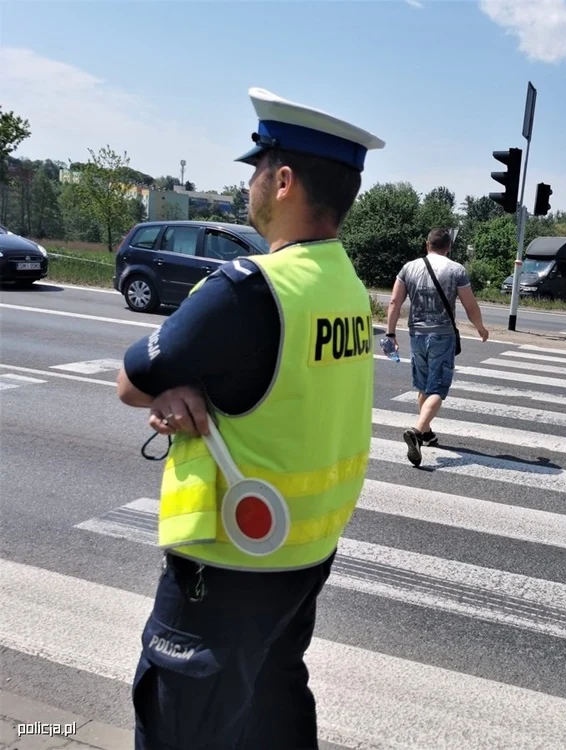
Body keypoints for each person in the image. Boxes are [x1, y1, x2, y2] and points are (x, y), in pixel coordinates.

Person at [115, 87, 384, 750]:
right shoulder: (346, 285)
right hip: (304, 552)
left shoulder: (249, 288)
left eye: (256, 170)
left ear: (284, 180)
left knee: (186, 728)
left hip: (227, 566)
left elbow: (129, 379)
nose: (249, 185)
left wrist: (166, 387)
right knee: (272, 708)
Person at [384, 228, 488, 467]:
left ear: (426, 244)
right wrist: (480, 328)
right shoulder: (456, 270)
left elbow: (394, 302)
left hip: (417, 335)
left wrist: (391, 333)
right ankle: (417, 431)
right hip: (442, 336)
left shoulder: (408, 268)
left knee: (423, 385)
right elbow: (470, 304)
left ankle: (427, 433)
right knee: (437, 388)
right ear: (448, 247)